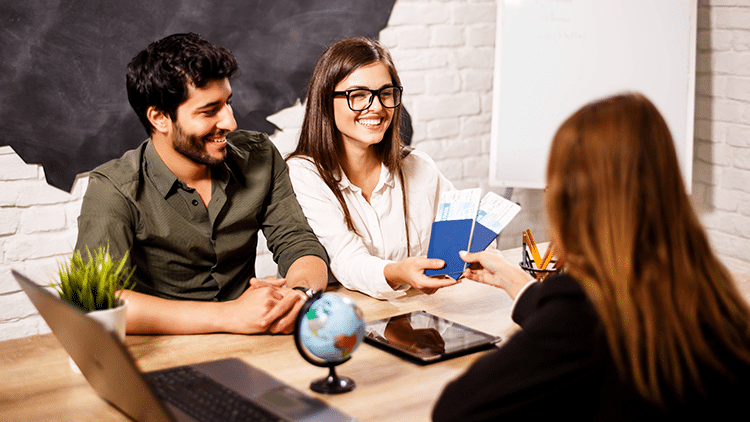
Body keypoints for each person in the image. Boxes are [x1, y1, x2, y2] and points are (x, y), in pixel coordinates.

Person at [432, 93, 750, 420]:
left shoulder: (587, 314)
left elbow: (456, 409)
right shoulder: (708, 288)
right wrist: (522, 286)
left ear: (571, 200)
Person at [74, 33, 329, 335]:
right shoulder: (113, 188)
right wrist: (228, 315)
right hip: (165, 353)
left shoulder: (259, 155)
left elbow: (298, 242)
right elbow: (96, 301)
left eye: (227, 103)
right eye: (209, 111)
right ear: (159, 118)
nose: (231, 123)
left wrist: (299, 295)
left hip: (258, 342)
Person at [286, 37, 458, 299]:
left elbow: (459, 231)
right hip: (345, 321)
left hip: (420, 313)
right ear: (325, 101)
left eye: (385, 93)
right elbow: (347, 259)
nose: (376, 107)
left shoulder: (418, 166)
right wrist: (399, 272)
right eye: (358, 95)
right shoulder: (304, 174)